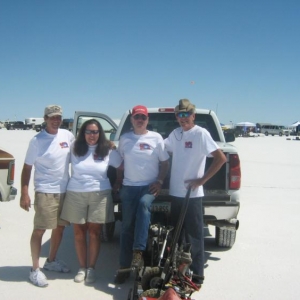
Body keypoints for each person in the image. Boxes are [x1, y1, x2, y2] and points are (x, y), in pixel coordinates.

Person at [164, 99, 227, 288]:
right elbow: (160, 149)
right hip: (175, 194)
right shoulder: (175, 134)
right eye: (179, 115)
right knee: (176, 236)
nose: (182, 119)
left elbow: (221, 158)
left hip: (192, 195)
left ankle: (197, 277)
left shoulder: (201, 133)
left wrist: (202, 181)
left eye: (186, 114)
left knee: (195, 236)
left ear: (193, 115)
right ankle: (177, 273)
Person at [60, 119, 122, 284]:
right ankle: (82, 268)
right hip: (76, 193)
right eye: (88, 131)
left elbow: (121, 166)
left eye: (95, 132)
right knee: (79, 233)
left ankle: (91, 268)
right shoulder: (74, 147)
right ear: (83, 133)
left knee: (94, 233)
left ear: (100, 133)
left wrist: (117, 183)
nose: (92, 135)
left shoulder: (107, 149)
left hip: (100, 194)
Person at [20, 105, 75, 287]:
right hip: (45, 191)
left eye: (58, 117)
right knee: (40, 230)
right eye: (52, 117)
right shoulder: (37, 140)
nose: (56, 120)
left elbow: (81, 152)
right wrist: (24, 193)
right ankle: (35, 270)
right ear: (45, 118)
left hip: (64, 190)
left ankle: (51, 261)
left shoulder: (67, 136)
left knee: (59, 228)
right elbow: (27, 168)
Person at [114, 105, 170, 284]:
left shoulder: (156, 138)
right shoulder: (124, 138)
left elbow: (165, 163)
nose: (140, 120)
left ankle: (138, 251)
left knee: (144, 205)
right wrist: (118, 180)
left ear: (147, 120)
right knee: (126, 226)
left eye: (143, 118)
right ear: (132, 119)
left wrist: (160, 182)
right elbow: (120, 162)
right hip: (129, 187)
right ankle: (124, 268)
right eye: (137, 117)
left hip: (148, 187)